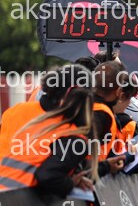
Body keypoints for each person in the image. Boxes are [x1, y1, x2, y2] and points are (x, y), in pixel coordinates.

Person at [0, 65, 100, 195]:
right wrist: (70, 183)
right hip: (19, 200)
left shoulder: (20, 113)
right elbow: (47, 175)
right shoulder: (70, 133)